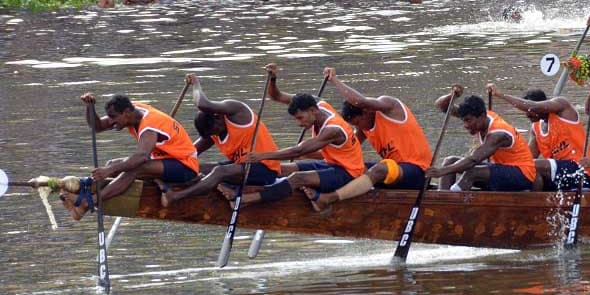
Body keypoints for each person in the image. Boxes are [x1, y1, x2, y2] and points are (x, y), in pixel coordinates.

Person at [219, 65, 366, 206]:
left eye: (300, 118)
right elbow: (277, 96)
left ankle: (247, 199)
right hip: (331, 163)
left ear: (313, 111)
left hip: (349, 173)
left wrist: (262, 156)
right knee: (280, 169)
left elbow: (299, 150)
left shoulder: (333, 129)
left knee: (297, 178)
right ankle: (245, 188)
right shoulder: (318, 103)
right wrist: (273, 79)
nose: (298, 123)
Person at [60, 93, 200, 221]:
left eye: (114, 117)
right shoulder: (131, 111)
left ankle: (88, 202)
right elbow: (97, 127)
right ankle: (84, 194)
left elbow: (141, 157)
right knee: (112, 163)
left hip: (185, 166)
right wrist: (90, 108)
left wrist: (108, 171)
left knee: (134, 169)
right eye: (110, 117)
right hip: (165, 161)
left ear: (126, 112)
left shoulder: (150, 125)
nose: (111, 121)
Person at [308, 69, 434, 209]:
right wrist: (306, 153)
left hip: (419, 173)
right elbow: (345, 154)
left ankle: (329, 198)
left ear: (366, 112)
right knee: (350, 168)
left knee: (381, 169)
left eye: (357, 123)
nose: (358, 128)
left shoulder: (390, 106)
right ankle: (315, 194)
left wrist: (334, 80)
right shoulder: (364, 128)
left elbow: (360, 101)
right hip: (395, 174)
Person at [159, 73, 281, 206]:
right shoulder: (213, 132)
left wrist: (195, 83)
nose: (214, 135)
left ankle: (176, 197)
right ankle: (164, 185)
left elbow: (202, 104)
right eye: (211, 134)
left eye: (215, 131)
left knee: (219, 171)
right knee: (195, 168)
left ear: (218, 117)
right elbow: (190, 153)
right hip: (241, 170)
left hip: (265, 170)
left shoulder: (237, 112)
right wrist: (164, 163)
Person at [488, 83, 590, 190]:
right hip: (561, 174)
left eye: (529, 111)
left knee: (533, 166)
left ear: (542, 107)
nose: (527, 115)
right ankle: (532, 202)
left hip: (581, 170)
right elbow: (527, 158)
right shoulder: (536, 128)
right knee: (525, 168)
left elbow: (531, 106)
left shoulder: (563, 107)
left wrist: (501, 95)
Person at [427, 90, 536, 191]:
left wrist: (441, 171)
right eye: (464, 120)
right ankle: (443, 198)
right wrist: (452, 95)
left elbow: (473, 160)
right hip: (501, 169)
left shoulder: (498, 133)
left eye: (468, 120)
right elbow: (442, 106)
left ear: (482, 116)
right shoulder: (478, 116)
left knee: (472, 172)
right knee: (449, 161)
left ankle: (453, 201)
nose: (466, 125)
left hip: (523, 175)